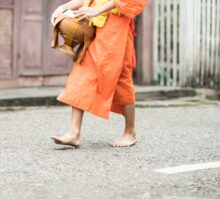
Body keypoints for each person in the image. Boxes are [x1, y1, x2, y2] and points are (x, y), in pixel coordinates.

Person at [50, 0, 148, 147]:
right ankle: (74, 133)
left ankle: (130, 132)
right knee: (81, 71)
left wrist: (98, 9)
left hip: (116, 28)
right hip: (95, 26)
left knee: (120, 79)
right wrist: (64, 7)